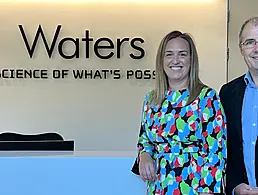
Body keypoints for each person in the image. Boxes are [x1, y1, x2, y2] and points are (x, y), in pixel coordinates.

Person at [131, 30, 227, 195]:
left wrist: (208, 190)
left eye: (182, 54)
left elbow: (216, 151)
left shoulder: (207, 98)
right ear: (161, 60)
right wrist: (145, 154)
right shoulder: (151, 99)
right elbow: (145, 139)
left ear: (191, 60)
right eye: (169, 55)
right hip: (159, 186)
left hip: (196, 187)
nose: (175, 60)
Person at [219, 16, 258, 195]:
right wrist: (234, 187)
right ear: (241, 48)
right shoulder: (227, 93)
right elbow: (224, 148)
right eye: (250, 42)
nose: (256, 49)